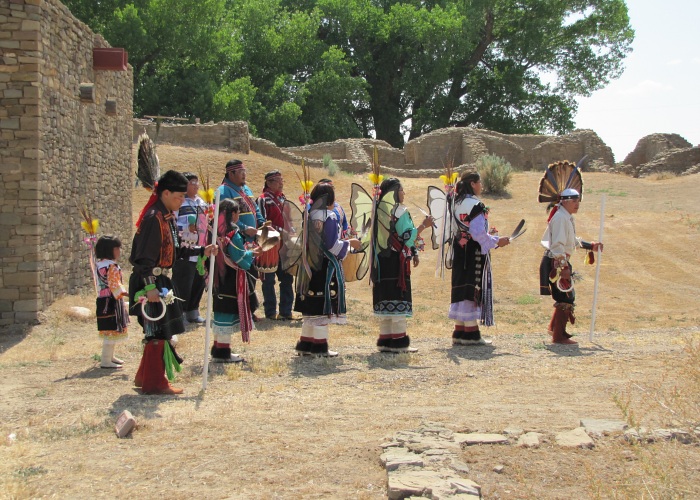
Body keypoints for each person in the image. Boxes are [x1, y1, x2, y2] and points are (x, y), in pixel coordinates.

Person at [130, 170, 217, 395]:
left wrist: (201, 250)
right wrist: (150, 287)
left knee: (159, 331)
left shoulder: (166, 216)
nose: (181, 201)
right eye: (179, 197)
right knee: (158, 332)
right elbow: (143, 258)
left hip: (161, 279)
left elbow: (176, 250)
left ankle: (145, 377)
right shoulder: (153, 218)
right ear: (165, 193)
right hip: (151, 281)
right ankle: (155, 383)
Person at [294, 183, 361, 356]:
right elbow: (332, 245)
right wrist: (350, 243)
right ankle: (319, 347)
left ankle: (306, 344)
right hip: (324, 267)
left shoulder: (309, 214)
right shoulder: (329, 217)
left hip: (310, 265)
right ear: (329, 199)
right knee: (321, 307)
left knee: (311, 306)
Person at [449, 170, 510, 346]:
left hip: (459, 251)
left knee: (462, 287)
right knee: (471, 288)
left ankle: (459, 331)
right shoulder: (477, 205)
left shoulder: (455, 202)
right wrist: (497, 241)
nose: (481, 186)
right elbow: (477, 233)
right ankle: (471, 334)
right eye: (480, 182)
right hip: (473, 252)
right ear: (473, 184)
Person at [372, 178, 433, 353]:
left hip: (381, 263)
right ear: (394, 193)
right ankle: (398, 343)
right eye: (401, 190)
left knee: (386, 298)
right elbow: (406, 236)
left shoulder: (378, 210)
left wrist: (413, 252)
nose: (404, 193)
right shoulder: (400, 211)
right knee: (398, 300)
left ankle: (385, 341)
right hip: (396, 263)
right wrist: (423, 225)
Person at [539, 188, 603, 344]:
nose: (577, 204)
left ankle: (555, 329)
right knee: (566, 297)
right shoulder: (561, 218)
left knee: (565, 295)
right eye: (574, 201)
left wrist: (590, 246)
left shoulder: (565, 216)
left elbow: (571, 240)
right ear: (565, 201)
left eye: (578, 200)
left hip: (557, 261)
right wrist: (563, 266)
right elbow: (558, 245)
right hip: (556, 262)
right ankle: (558, 336)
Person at [211, 199, 260, 362]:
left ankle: (218, 348)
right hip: (231, 279)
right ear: (232, 214)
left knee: (220, 311)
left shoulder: (215, 229)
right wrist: (251, 253)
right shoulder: (233, 232)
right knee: (227, 312)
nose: (239, 215)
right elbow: (239, 258)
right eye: (238, 213)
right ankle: (223, 353)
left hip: (218, 277)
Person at [257, 170, 294, 320]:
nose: (281, 183)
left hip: (284, 245)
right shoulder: (263, 200)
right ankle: (271, 312)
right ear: (269, 182)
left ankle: (286, 311)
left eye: (282, 180)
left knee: (287, 278)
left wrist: (291, 230)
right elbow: (262, 223)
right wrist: (278, 232)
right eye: (278, 180)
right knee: (269, 279)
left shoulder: (283, 198)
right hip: (270, 245)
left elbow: (289, 219)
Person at [172, 172, 208, 324]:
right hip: (185, 247)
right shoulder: (179, 202)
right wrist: (187, 227)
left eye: (196, 182)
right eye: (191, 182)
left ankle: (193, 311)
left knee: (198, 281)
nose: (195, 185)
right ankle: (179, 314)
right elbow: (173, 224)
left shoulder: (201, 202)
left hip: (200, 247)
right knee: (183, 283)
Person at [94, 235, 129, 369]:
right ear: (110, 250)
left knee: (111, 330)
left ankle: (110, 356)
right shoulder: (111, 266)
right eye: (117, 248)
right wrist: (129, 295)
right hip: (112, 301)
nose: (119, 251)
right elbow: (115, 286)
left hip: (103, 300)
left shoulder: (99, 265)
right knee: (111, 329)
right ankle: (105, 360)